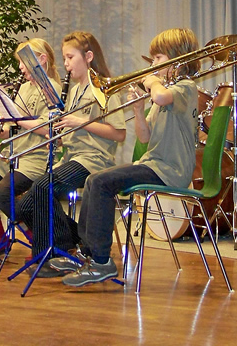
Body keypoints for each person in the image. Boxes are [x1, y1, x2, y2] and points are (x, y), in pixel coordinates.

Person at [50, 28, 201, 287]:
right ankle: (87, 253)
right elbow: (144, 137)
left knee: (101, 182)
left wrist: (151, 81)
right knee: (95, 180)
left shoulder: (185, 88)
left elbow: (161, 95)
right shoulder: (164, 94)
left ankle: (101, 262)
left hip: (171, 169)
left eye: (158, 59)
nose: (153, 65)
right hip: (154, 164)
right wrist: (139, 111)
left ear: (178, 59)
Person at [14, 31, 126, 277]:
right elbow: (73, 130)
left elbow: (118, 134)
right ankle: (73, 241)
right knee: (26, 204)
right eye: (64, 58)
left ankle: (52, 254)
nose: (65, 64)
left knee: (42, 187)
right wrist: (59, 138)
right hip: (73, 156)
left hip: (94, 159)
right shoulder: (74, 90)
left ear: (88, 57)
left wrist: (80, 122)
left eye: (70, 57)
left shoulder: (104, 88)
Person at [0, 38, 62, 259]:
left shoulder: (52, 89)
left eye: (23, 62)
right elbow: (14, 127)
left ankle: (40, 239)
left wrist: (17, 118)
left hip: (35, 156)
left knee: (2, 194)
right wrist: (1, 129)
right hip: (13, 154)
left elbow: (48, 129)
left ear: (42, 59)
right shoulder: (24, 88)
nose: (20, 68)